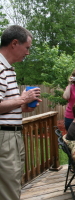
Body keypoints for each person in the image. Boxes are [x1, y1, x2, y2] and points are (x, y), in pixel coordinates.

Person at [0, 25, 42, 200]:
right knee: (8, 190)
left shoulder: (8, 68)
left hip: (11, 137)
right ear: (14, 43)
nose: (27, 53)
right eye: (27, 48)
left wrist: (23, 107)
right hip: (4, 138)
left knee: (12, 183)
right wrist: (23, 99)